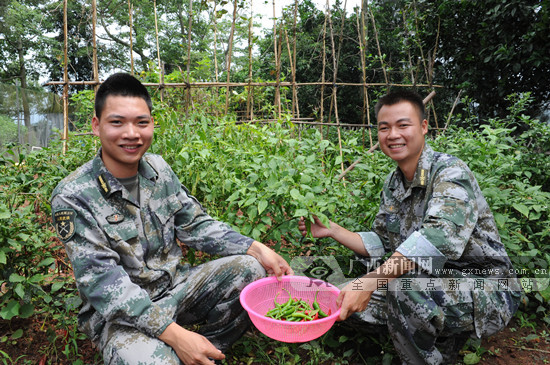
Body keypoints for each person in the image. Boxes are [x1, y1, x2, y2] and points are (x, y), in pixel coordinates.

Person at [51, 72, 293, 365]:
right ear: (96, 126)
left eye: (142, 122)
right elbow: (103, 284)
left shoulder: (158, 169)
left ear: (152, 124)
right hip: (122, 314)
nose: (132, 133)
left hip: (174, 288)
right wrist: (175, 335)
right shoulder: (73, 195)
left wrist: (256, 247)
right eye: (117, 122)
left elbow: (195, 224)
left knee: (250, 268)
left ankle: (208, 352)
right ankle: (173, 350)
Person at [298, 90, 520, 364]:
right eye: (384, 127)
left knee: (399, 285)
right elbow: (384, 244)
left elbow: (436, 240)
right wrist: (333, 230)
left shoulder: (450, 172)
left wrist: (370, 282)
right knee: (329, 284)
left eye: (403, 125)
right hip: (430, 280)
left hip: (487, 288)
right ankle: (435, 339)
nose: (393, 135)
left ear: (424, 127)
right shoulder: (394, 183)